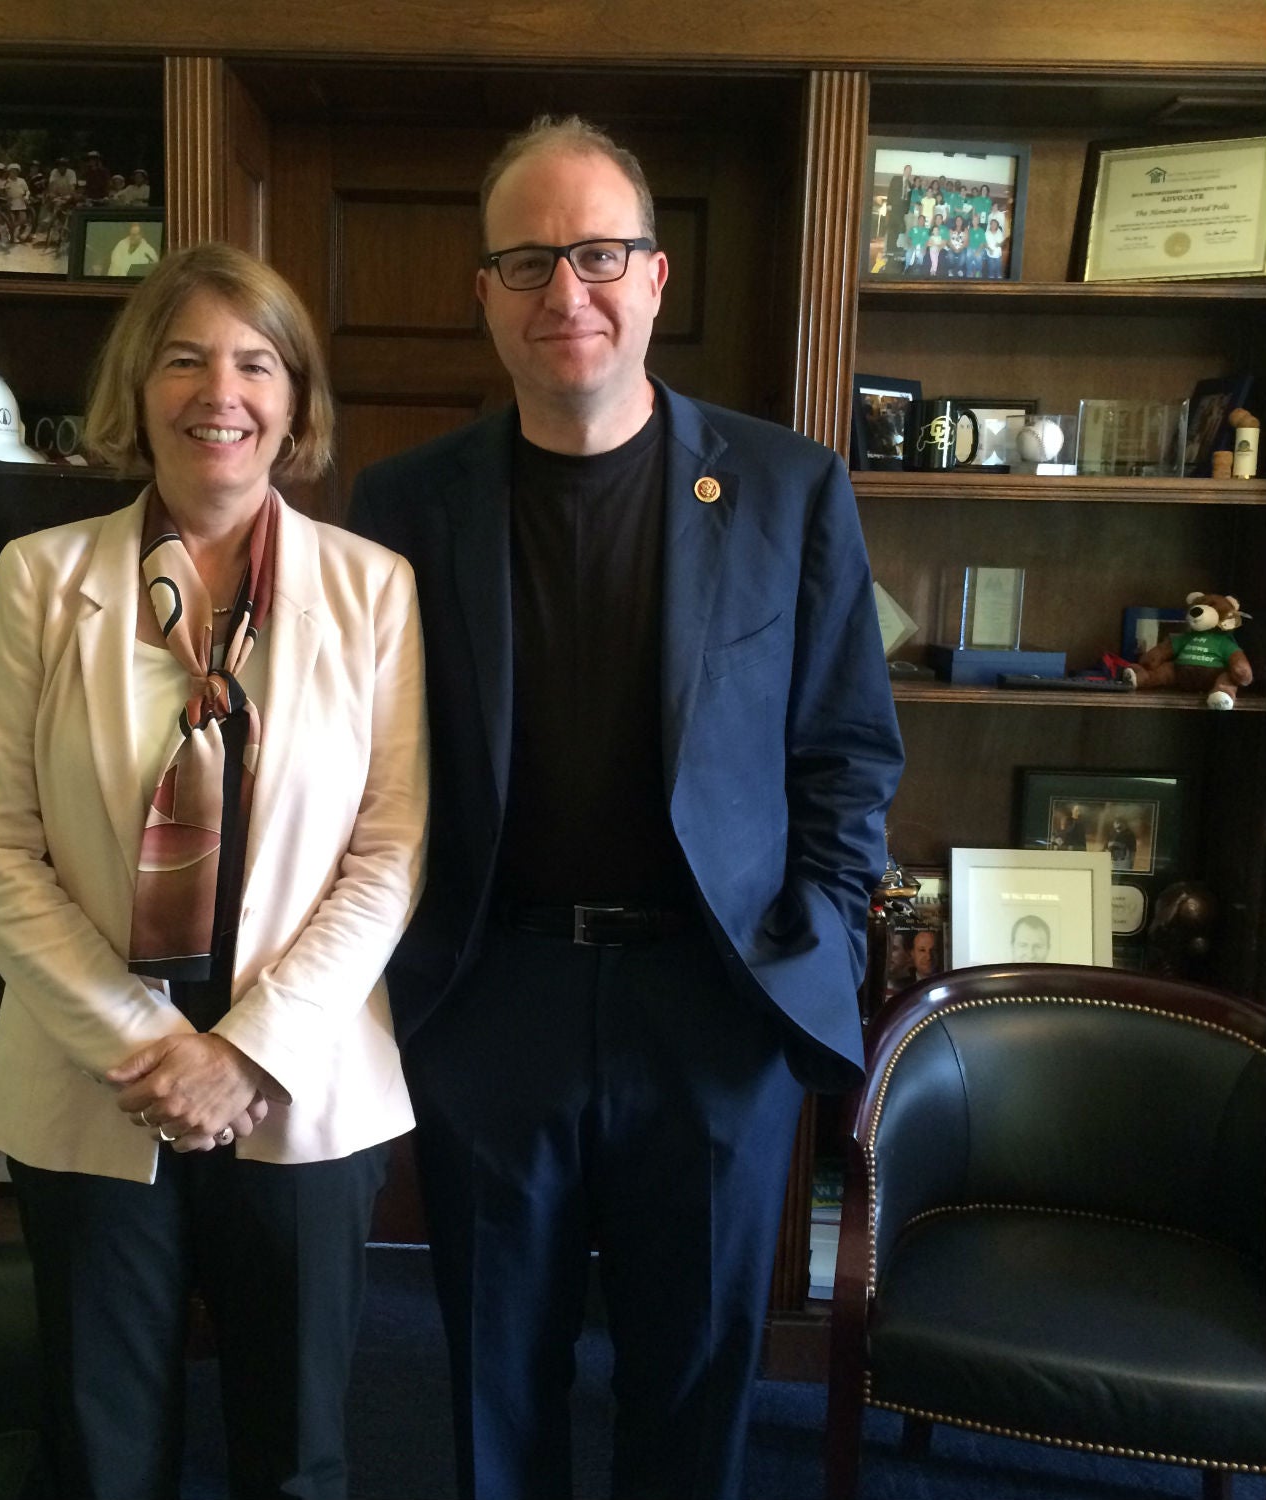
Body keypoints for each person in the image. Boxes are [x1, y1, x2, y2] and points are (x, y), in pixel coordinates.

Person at [349, 115, 902, 1500]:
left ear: (656, 277)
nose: (566, 292)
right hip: (495, 1001)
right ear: (483, 292)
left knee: (696, 1382)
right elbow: (356, 761)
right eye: (528, 261)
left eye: (598, 254)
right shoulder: (405, 505)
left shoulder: (786, 489)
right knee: (491, 1383)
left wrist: (815, 950)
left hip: (712, 1005)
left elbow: (845, 754)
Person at [0, 241, 429, 1500]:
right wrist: (146, 1046)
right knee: (103, 1452)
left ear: (294, 400)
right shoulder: (42, 581)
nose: (222, 390)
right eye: (185, 358)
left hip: (303, 1076)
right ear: (139, 388)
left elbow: (389, 851)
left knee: (296, 1455)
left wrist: (247, 1052)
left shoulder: (376, 590)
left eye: (255, 362)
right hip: (94, 1076)